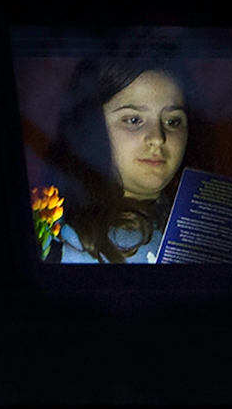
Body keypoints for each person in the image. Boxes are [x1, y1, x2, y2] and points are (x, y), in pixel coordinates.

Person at [44, 53, 213, 264]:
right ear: (89, 127)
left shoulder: (204, 225)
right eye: (133, 120)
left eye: (172, 122)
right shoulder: (56, 238)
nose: (157, 138)